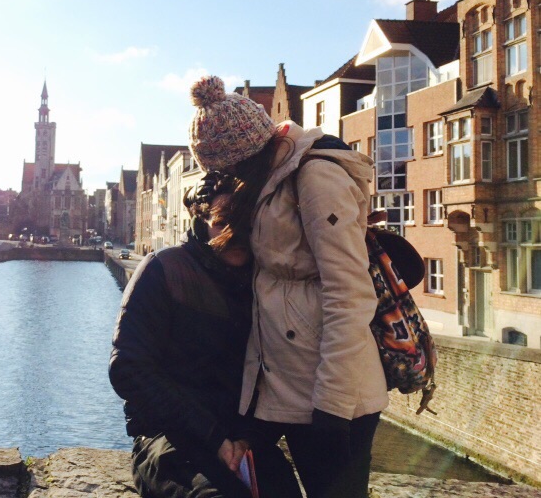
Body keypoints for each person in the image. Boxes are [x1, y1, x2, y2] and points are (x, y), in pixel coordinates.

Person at [187, 75, 388, 498]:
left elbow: (348, 291)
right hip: (286, 386)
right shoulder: (271, 179)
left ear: (250, 152)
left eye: (233, 168)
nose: (233, 179)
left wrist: (332, 404)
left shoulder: (315, 179)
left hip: (332, 393)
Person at [109, 172, 301, 498]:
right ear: (202, 216)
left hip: (240, 440)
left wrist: (246, 439)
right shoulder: (164, 269)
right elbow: (128, 368)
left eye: (246, 223)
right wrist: (213, 438)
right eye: (224, 221)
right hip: (167, 437)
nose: (236, 234)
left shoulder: (263, 282)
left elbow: (279, 375)